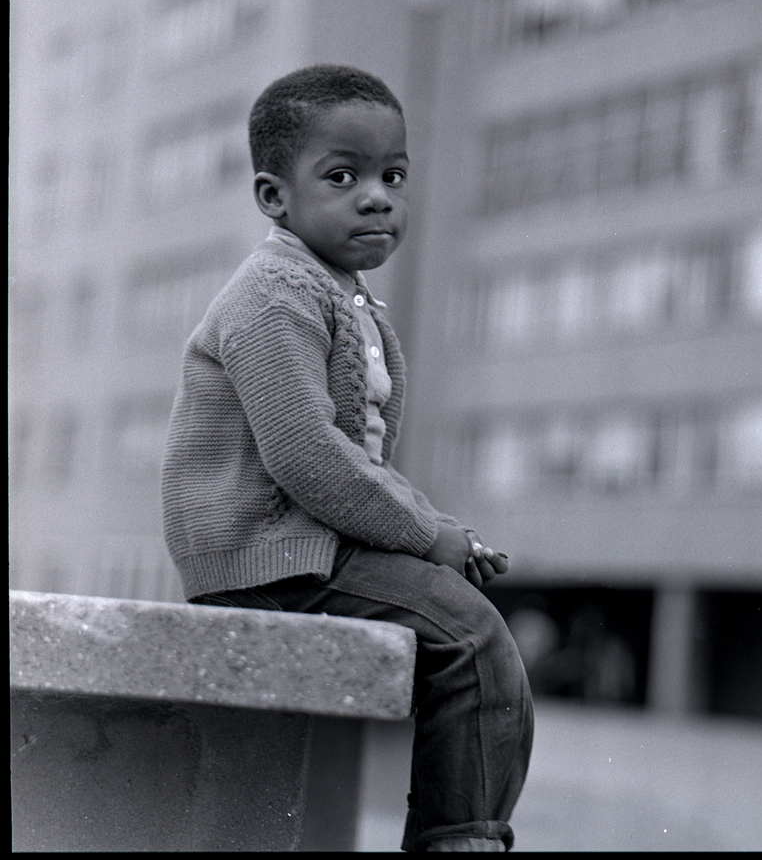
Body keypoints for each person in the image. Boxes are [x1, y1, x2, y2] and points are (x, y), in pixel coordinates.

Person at [161, 65, 533, 852]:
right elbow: (307, 455)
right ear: (274, 196)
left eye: (393, 175)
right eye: (343, 175)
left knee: (463, 621)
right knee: (470, 640)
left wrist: (437, 527)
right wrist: (427, 537)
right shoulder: (273, 294)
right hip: (267, 560)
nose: (377, 196)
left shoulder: (338, 293)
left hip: (305, 549)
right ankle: (460, 840)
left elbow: (354, 457)